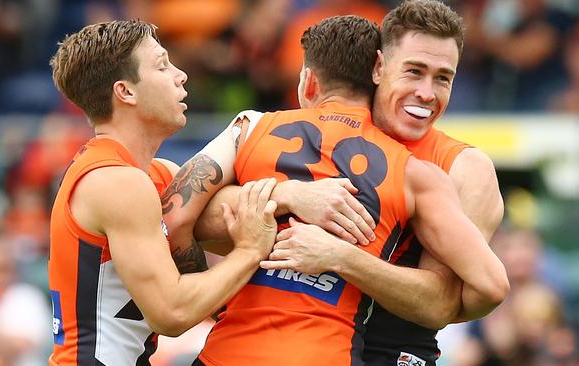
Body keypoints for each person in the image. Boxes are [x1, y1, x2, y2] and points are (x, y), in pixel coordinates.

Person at [161, 14, 508, 366]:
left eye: (444, 79)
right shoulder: (307, 137)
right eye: (414, 71)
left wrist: (342, 258)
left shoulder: (461, 168)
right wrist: (288, 196)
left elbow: (446, 303)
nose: (426, 93)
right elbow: (194, 220)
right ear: (379, 67)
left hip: (390, 355)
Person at [47, 20, 280, 365]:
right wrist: (248, 251)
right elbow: (171, 313)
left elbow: (232, 215)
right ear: (126, 91)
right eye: (162, 65)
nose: (180, 75)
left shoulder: (160, 175)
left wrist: (288, 200)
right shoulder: (117, 181)